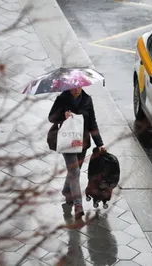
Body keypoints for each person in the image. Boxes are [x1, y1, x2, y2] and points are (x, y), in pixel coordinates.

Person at [48, 87, 104, 219]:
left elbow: (92, 123)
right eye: (73, 88)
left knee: (75, 170)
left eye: (78, 87)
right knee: (75, 172)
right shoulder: (62, 99)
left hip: (82, 143)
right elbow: (51, 118)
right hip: (67, 142)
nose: (76, 90)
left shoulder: (87, 100)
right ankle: (78, 205)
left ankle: (67, 191)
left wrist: (100, 143)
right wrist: (63, 116)